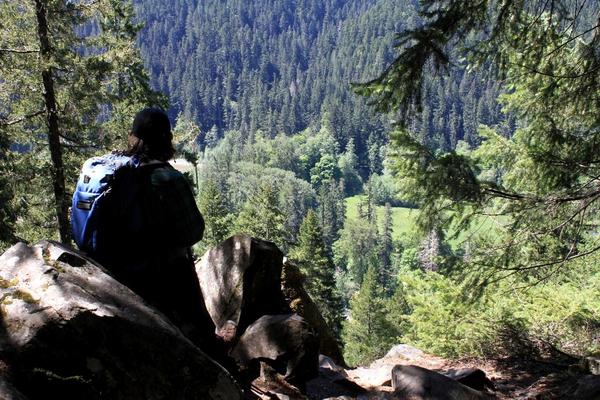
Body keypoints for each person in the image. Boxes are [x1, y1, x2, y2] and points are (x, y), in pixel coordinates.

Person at [101, 108, 218, 352]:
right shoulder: (167, 178)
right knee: (201, 333)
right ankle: (212, 352)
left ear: (133, 136)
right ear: (166, 139)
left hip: (112, 270)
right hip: (159, 277)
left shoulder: (112, 171)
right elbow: (194, 232)